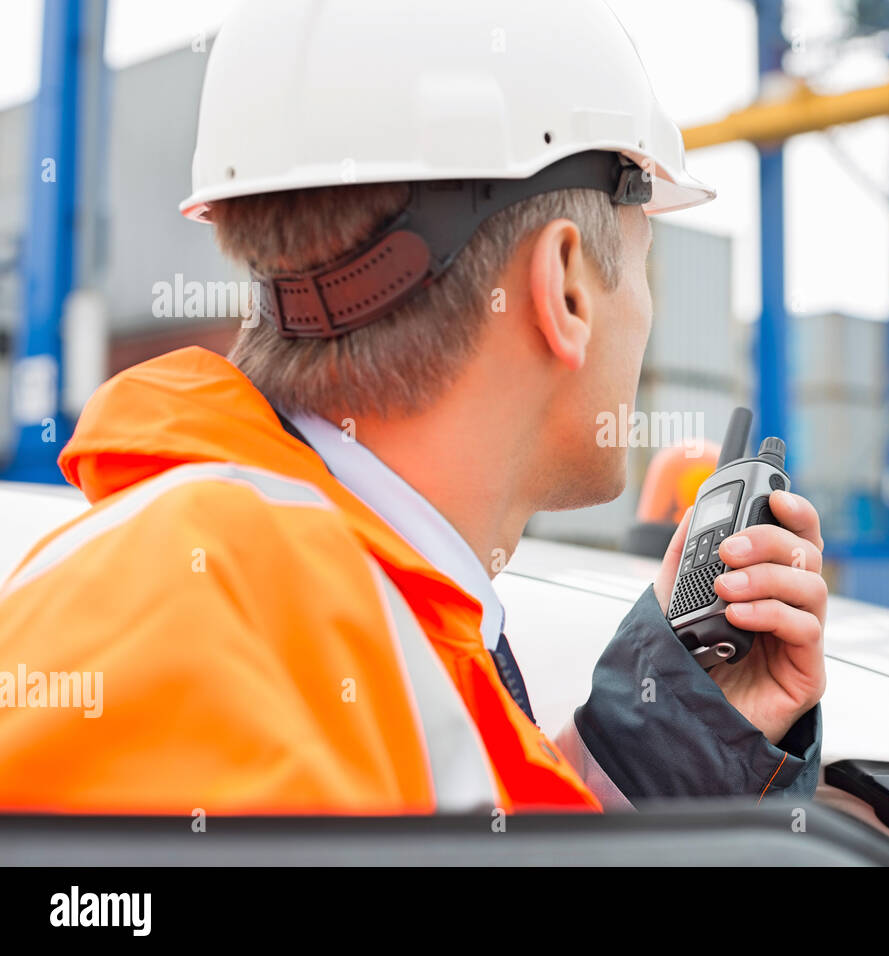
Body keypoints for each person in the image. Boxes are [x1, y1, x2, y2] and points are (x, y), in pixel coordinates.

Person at [0, 0, 827, 814]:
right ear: (566, 285)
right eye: (645, 261)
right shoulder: (218, 654)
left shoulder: (326, 622)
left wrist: (671, 742)